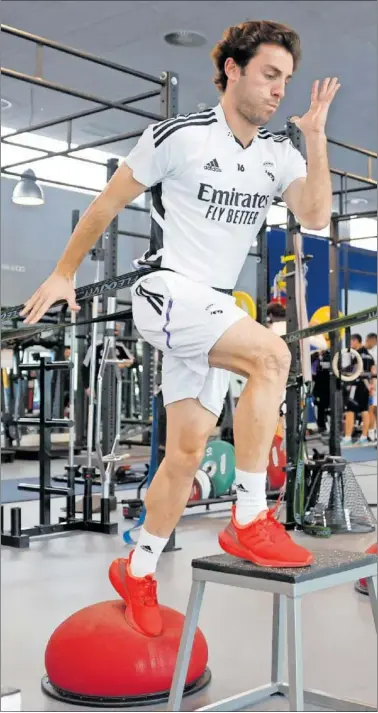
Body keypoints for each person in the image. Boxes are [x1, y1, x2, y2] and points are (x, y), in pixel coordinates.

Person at [19, 20, 339, 636]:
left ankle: (137, 568)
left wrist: (317, 137)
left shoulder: (278, 153)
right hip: (168, 290)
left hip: (212, 307)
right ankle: (249, 518)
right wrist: (63, 273)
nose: (279, 91)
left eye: (287, 80)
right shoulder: (179, 137)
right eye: (269, 75)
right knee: (272, 356)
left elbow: (316, 215)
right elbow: (106, 204)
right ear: (232, 70)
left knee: (186, 452)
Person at [341, 334, 375, 446]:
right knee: (364, 411)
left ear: (356, 341)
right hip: (366, 387)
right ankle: (364, 437)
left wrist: (343, 370)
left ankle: (347, 438)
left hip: (356, 385)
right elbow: (373, 371)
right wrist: (371, 387)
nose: (351, 344)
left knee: (350, 411)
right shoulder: (370, 356)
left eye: (351, 342)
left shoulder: (356, 355)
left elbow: (353, 371)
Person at [365, 332, 377, 441]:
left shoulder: (373, 353)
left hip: (374, 383)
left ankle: (372, 432)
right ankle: (372, 432)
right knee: (372, 409)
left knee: (372, 409)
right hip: (373, 383)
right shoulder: (367, 352)